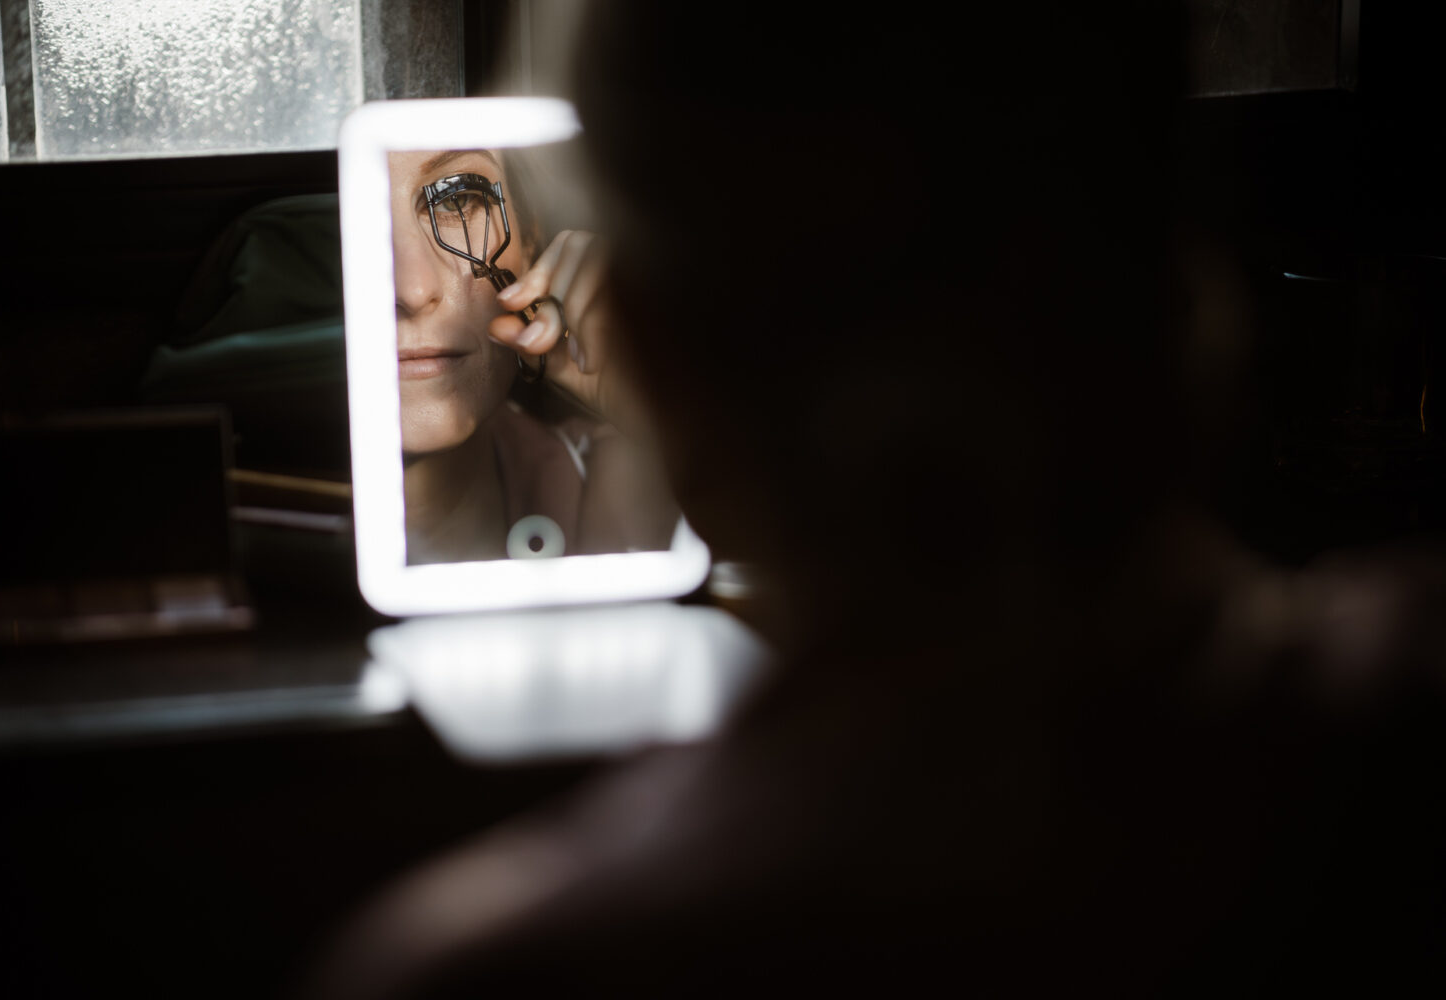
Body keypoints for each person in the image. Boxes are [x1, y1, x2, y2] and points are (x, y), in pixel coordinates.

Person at [311, 4, 1446, 995]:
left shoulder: (509, 971)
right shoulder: (1393, 738)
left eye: (458, 200)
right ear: (1182, 261)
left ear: (654, 350)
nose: (411, 288)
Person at [390, 146, 676, 563]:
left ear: (529, 246)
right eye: (348, 208)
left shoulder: (633, 483)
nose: (412, 291)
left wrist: (662, 408)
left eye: (459, 199)